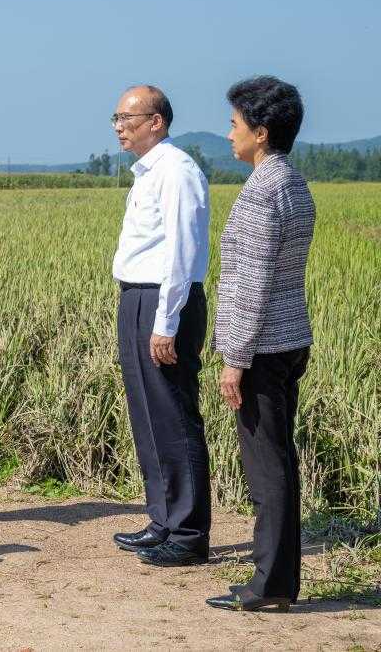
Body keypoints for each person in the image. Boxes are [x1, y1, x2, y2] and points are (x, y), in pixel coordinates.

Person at [206, 76, 315, 612]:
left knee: (267, 467)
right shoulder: (294, 184)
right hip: (290, 338)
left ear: (262, 132)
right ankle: (277, 578)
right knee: (280, 461)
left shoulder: (260, 193)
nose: (230, 134)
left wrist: (236, 360)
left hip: (263, 347)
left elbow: (251, 284)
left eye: (235, 124)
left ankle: (269, 584)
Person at [110, 85, 213, 567]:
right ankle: (162, 519)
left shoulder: (176, 170)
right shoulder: (148, 172)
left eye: (127, 118)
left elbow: (181, 251)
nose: (119, 126)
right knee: (148, 414)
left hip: (164, 301)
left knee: (173, 414)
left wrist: (166, 321)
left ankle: (189, 534)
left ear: (157, 122)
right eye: (116, 118)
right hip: (138, 297)